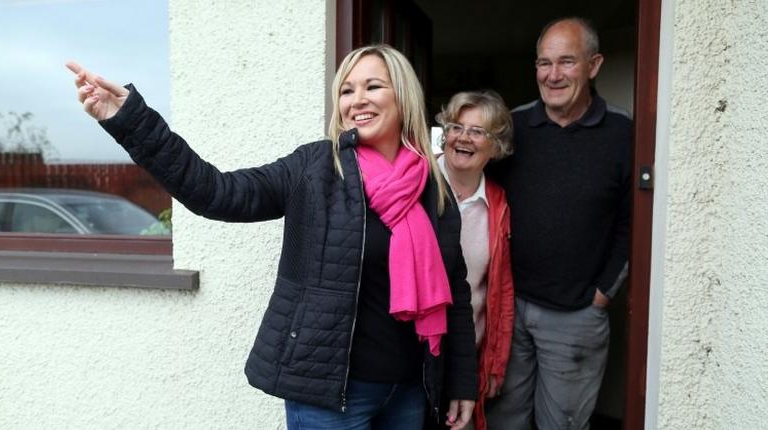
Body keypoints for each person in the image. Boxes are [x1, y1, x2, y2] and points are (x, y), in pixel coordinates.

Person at [67, 44, 477, 430]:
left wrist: (461, 381)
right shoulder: (315, 168)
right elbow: (216, 193)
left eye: (373, 86)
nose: (358, 100)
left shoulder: (430, 188)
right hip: (330, 397)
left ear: (402, 96)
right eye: (347, 90)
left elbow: (455, 292)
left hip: (408, 391)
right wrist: (131, 120)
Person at [485, 17, 632, 430]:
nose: (552, 75)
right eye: (543, 63)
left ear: (594, 65)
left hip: (576, 315)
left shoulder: (624, 133)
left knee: (562, 424)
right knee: (502, 419)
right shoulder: (513, 126)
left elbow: (633, 223)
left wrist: (603, 294)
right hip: (509, 306)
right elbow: (480, 198)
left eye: (566, 62)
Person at [424, 90, 515, 430]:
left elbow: (500, 290)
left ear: (496, 145)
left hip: (464, 356)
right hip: (412, 355)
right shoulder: (417, 180)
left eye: (477, 131)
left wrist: (494, 363)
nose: (463, 137)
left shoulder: (497, 203)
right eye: (455, 127)